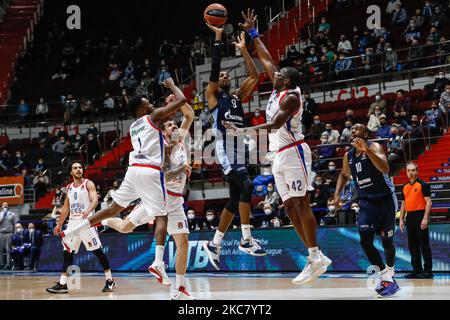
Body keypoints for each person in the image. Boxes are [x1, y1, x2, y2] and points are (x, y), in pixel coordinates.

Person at [223, 9, 331, 285]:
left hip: (294, 150)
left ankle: (316, 255)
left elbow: (273, 126)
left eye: (281, 74)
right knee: (289, 208)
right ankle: (313, 255)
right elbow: (266, 58)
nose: (276, 72)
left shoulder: (292, 98)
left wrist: (243, 129)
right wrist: (253, 33)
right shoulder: (278, 88)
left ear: (288, 81)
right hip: (279, 156)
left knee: (301, 203)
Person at [60, 77, 187, 283]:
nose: (151, 104)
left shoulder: (135, 125)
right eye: (147, 103)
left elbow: (162, 122)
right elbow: (182, 100)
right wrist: (172, 85)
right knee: (162, 215)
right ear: (140, 109)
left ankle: (73, 229)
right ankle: (157, 262)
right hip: (149, 172)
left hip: (132, 171)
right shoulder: (152, 116)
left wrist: (166, 106)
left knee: (112, 209)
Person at [101, 96, 195, 300]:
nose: (174, 126)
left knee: (183, 241)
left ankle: (180, 290)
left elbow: (189, 114)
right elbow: (161, 175)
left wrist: (173, 97)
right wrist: (180, 168)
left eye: (175, 124)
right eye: (170, 125)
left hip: (176, 201)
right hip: (157, 197)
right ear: (164, 132)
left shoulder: (181, 141)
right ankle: (102, 219)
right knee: (126, 227)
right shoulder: (161, 148)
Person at [202, 19, 265, 270]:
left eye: (228, 74)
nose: (225, 75)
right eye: (222, 75)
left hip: (242, 149)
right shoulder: (214, 98)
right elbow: (215, 69)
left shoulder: (237, 97)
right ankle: (246, 239)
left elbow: (255, 75)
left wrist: (243, 49)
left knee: (234, 198)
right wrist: (218, 38)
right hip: (226, 150)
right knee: (248, 185)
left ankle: (215, 244)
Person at [334, 124, 400, 297]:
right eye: (352, 129)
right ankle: (387, 278)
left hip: (386, 200)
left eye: (357, 129)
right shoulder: (348, 156)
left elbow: (385, 168)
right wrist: (336, 194)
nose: (353, 131)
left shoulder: (374, 146)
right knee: (365, 240)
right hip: (367, 203)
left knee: (387, 242)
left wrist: (367, 151)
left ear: (366, 134)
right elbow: (343, 174)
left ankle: (391, 271)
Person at [46, 161, 116, 294]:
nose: (78, 170)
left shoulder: (88, 183)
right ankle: (62, 284)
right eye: (75, 168)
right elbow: (66, 207)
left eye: (80, 168)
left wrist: (88, 210)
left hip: (87, 223)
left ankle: (110, 281)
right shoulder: (69, 188)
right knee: (67, 253)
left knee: (98, 252)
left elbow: (95, 200)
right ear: (71, 172)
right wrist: (60, 223)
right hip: (72, 223)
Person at [399, 162, 433, 279]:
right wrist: (401, 220)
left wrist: (425, 218)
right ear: (406, 172)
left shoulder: (423, 185)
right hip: (410, 218)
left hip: (420, 216)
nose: (411, 173)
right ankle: (416, 270)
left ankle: (428, 271)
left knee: (424, 245)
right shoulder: (404, 187)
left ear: (417, 171)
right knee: (412, 246)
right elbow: (403, 204)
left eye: (413, 170)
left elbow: (429, 202)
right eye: (409, 170)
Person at [0, 202, 17, 270]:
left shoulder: (12, 214)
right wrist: (3, 215)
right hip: (0, 233)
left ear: (8, 206)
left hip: (9, 233)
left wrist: (14, 234)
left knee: (8, 250)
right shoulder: (0, 214)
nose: (5, 205)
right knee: (0, 249)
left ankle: (8, 264)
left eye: (6, 204)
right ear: (2, 206)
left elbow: (15, 224)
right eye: (4, 204)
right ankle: (1, 264)